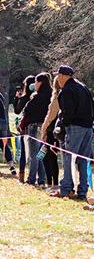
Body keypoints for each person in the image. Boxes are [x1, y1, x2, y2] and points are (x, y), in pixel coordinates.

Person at [51, 65, 93, 200]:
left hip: (74, 127)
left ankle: (66, 189)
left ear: (62, 76)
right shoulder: (83, 87)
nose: (57, 78)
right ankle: (82, 191)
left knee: (69, 159)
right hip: (87, 127)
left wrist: (63, 124)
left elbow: (67, 112)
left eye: (58, 76)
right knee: (83, 160)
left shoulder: (66, 91)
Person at [19, 73, 52, 186]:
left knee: (33, 154)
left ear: (41, 83)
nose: (35, 84)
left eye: (36, 82)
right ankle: (42, 179)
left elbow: (26, 110)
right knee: (41, 154)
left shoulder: (37, 97)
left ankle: (31, 179)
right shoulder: (52, 95)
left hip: (35, 126)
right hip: (47, 127)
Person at [40, 76, 61, 190]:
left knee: (50, 158)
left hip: (51, 132)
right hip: (50, 131)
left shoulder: (57, 98)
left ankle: (54, 183)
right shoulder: (55, 96)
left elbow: (51, 115)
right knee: (43, 156)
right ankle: (50, 182)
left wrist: (43, 129)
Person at [14, 75, 36, 182]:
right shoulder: (40, 96)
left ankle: (21, 175)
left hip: (25, 128)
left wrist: (17, 98)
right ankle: (40, 176)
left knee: (23, 152)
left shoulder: (25, 98)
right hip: (36, 127)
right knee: (37, 153)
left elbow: (17, 111)